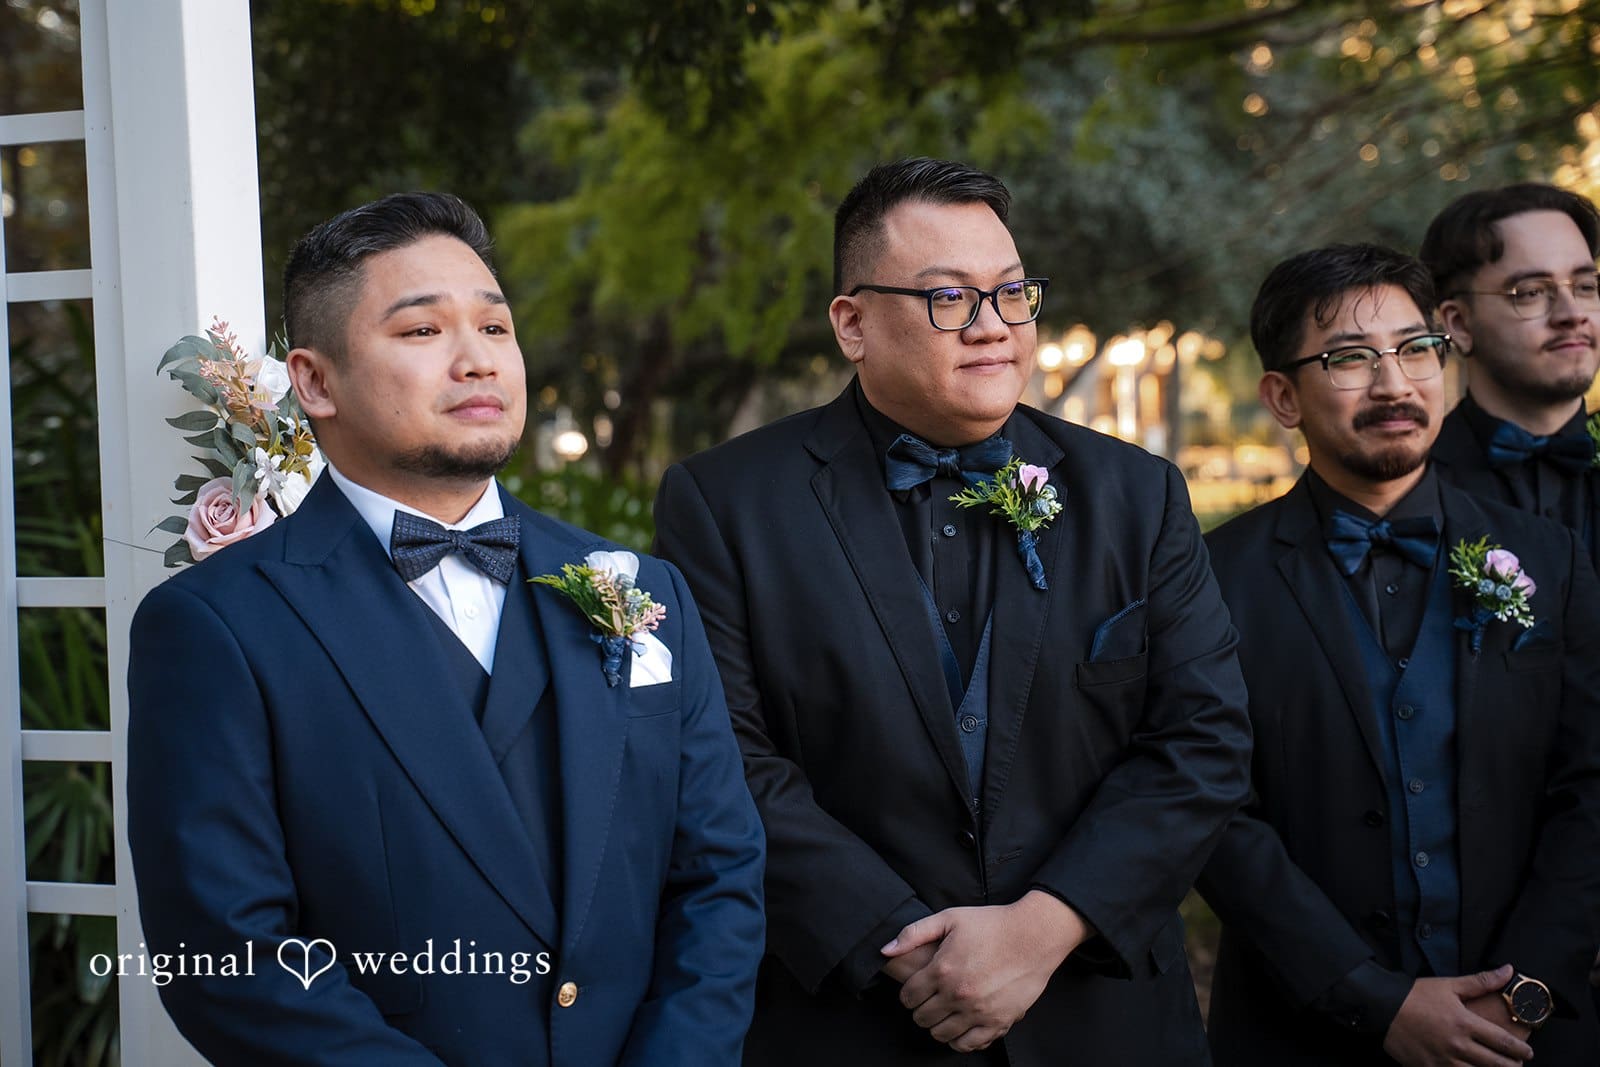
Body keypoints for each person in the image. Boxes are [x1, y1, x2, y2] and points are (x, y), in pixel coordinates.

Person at [126, 192, 765, 1066]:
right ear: (314, 381)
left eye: (496, 329)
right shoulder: (216, 625)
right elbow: (229, 959)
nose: (478, 362)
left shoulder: (641, 588)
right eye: (423, 332)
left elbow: (719, 877)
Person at [652, 156, 1253, 1065]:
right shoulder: (726, 502)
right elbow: (726, 758)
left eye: (1013, 295)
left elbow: (1202, 738)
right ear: (852, 323)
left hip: (1102, 1017)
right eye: (948, 299)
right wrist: (904, 944)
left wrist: (1046, 927)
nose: (994, 329)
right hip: (855, 1018)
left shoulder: (1136, 495)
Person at [1200, 243, 1600, 1066]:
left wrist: (1527, 990)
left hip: (1532, 1036)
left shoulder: (1548, 559)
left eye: (1417, 349)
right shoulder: (1211, 577)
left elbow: (1591, 786)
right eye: (1351, 359)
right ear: (1282, 395)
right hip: (1299, 1035)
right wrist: (1372, 1000)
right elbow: (1213, 812)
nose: (1395, 384)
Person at [1422, 183, 1600, 565]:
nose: (1572, 313)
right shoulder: (1410, 488)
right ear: (1459, 324)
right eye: (1531, 292)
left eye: (1586, 286)